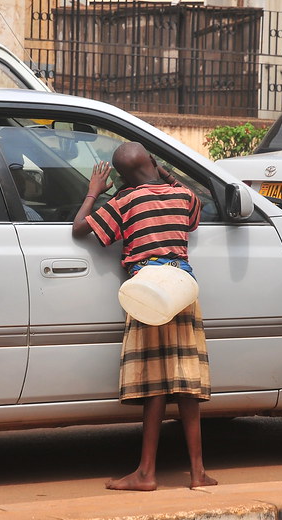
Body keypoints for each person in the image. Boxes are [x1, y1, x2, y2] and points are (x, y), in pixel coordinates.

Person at [72, 142, 215, 491]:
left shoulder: (125, 202)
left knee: (155, 386)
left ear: (123, 177)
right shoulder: (181, 196)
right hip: (183, 290)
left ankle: (146, 473)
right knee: (187, 384)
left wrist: (93, 192)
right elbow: (195, 205)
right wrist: (163, 171)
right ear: (152, 161)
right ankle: (197, 473)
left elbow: (79, 228)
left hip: (148, 293)